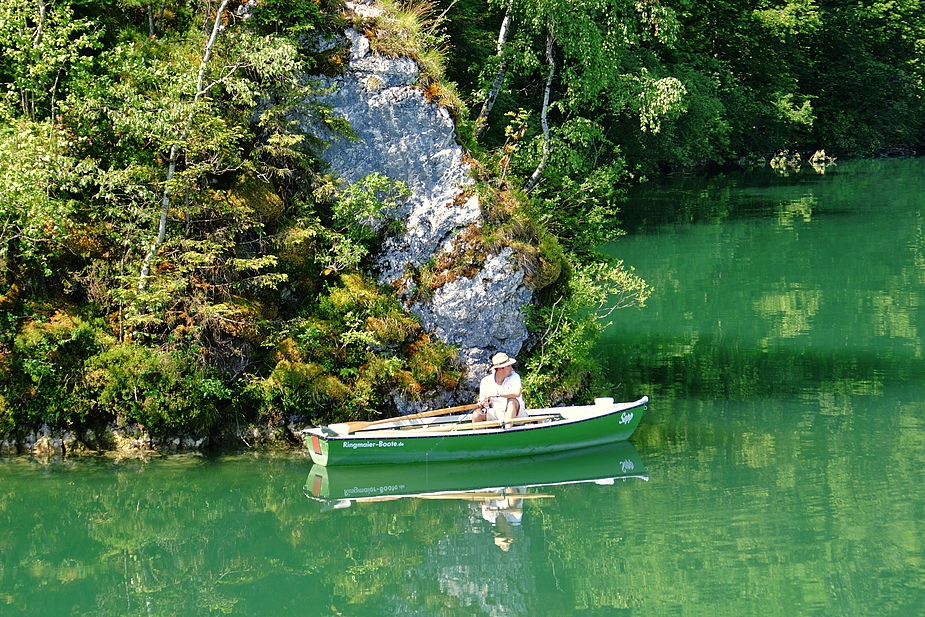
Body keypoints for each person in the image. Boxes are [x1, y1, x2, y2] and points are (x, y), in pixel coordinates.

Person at [473, 352, 526, 426]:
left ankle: (507, 431)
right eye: (509, 366)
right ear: (500, 369)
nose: (511, 368)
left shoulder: (515, 376)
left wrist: (496, 393)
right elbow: (483, 404)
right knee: (476, 414)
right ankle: (478, 437)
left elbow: (517, 393)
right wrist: (483, 403)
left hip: (517, 415)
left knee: (512, 401)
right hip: (497, 414)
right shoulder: (486, 381)